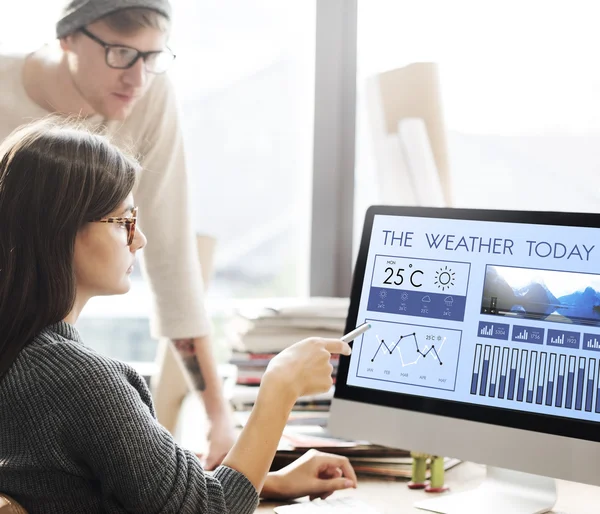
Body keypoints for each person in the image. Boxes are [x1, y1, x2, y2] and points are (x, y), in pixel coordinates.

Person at [0, 118, 357, 513]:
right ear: (60, 231)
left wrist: (266, 482)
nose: (140, 239)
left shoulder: (22, 357)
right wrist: (280, 388)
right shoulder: (79, 381)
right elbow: (208, 510)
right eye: (124, 222)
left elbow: (96, 489)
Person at [0, 0, 236, 468]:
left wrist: (218, 417)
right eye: (121, 54)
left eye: (153, 58)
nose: (138, 78)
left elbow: (170, 256)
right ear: (67, 37)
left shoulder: (150, 93)